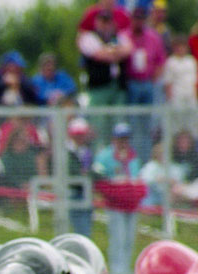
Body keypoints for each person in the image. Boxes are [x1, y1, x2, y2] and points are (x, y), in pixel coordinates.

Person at [92, 122, 144, 274]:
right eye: (120, 138)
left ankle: (126, 270)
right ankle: (116, 272)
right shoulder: (105, 156)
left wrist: (137, 194)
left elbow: (138, 179)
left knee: (129, 239)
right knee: (118, 238)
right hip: (115, 206)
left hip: (132, 206)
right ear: (114, 139)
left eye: (125, 139)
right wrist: (113, 193)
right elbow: (98, 179)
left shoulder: (133, 156)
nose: (123, 142)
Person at [77, 9, 132, 144]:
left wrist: (111, 52)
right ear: (97, 22)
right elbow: (100, 54)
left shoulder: (119, 37)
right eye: (102, 21)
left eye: (108, 21)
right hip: (98, 88)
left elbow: (128, 50)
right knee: (99, 125)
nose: (105, 25)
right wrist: (114, 52)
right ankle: (99, 159)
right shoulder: (89, 37)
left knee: (119, 124)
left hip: (117, 87)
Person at [121, 5, 165, 162]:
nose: (138, 22)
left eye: (141, 18)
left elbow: (160, 61)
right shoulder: (124, 36)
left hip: (147, 84)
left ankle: (145, 160)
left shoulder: (153, 37)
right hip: (131, 84)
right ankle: (133, 161)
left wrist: (152, 80)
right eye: (135, 18)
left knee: (148, 125)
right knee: (132, 125)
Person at [66, 117, 96, 236]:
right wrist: (84, 174)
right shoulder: (67, 151)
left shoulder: (87, 150)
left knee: (86, 229)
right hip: (72, 193)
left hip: (86, 192)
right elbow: (72, 172)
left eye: (81, 135)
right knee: (78, 229)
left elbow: (91, 171)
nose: (79, 138)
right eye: (76, 135)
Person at [162, 34, 198, 136]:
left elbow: (194, 81)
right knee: (177, 126)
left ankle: (193, 149)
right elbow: (168, 83)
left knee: (192, 124)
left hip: (190, 97)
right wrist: (170, 99)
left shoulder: (191, 61)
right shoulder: (171, 62)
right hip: (177, 98)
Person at [139, 142, 185, 207]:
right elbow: (143, 180)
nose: (162, 156)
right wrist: (157, 179)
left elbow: (179, 181)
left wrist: (171, 181)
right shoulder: (151, 166)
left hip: (168, 193)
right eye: (160, 154)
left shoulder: (174, 167)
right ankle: (149, 209)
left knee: (176, 190)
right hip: (154, 193)